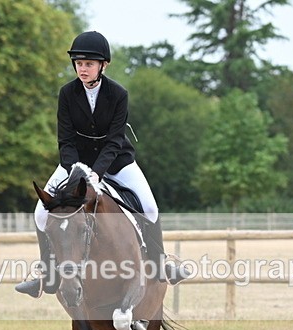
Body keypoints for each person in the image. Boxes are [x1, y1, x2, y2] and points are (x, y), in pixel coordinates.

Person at [15, 30, 190, 298]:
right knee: (41, 212)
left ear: (103, 65)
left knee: (151, 209)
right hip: (74, 163)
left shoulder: (118, 94)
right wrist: (78, 172)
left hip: (116, 162)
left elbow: (114, 141)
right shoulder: (67, 93)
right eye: (78, 63)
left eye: (88, 64)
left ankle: (159, 265)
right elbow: (66, 140)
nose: (82, 69)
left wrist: (95, 175)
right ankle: (47, 276)